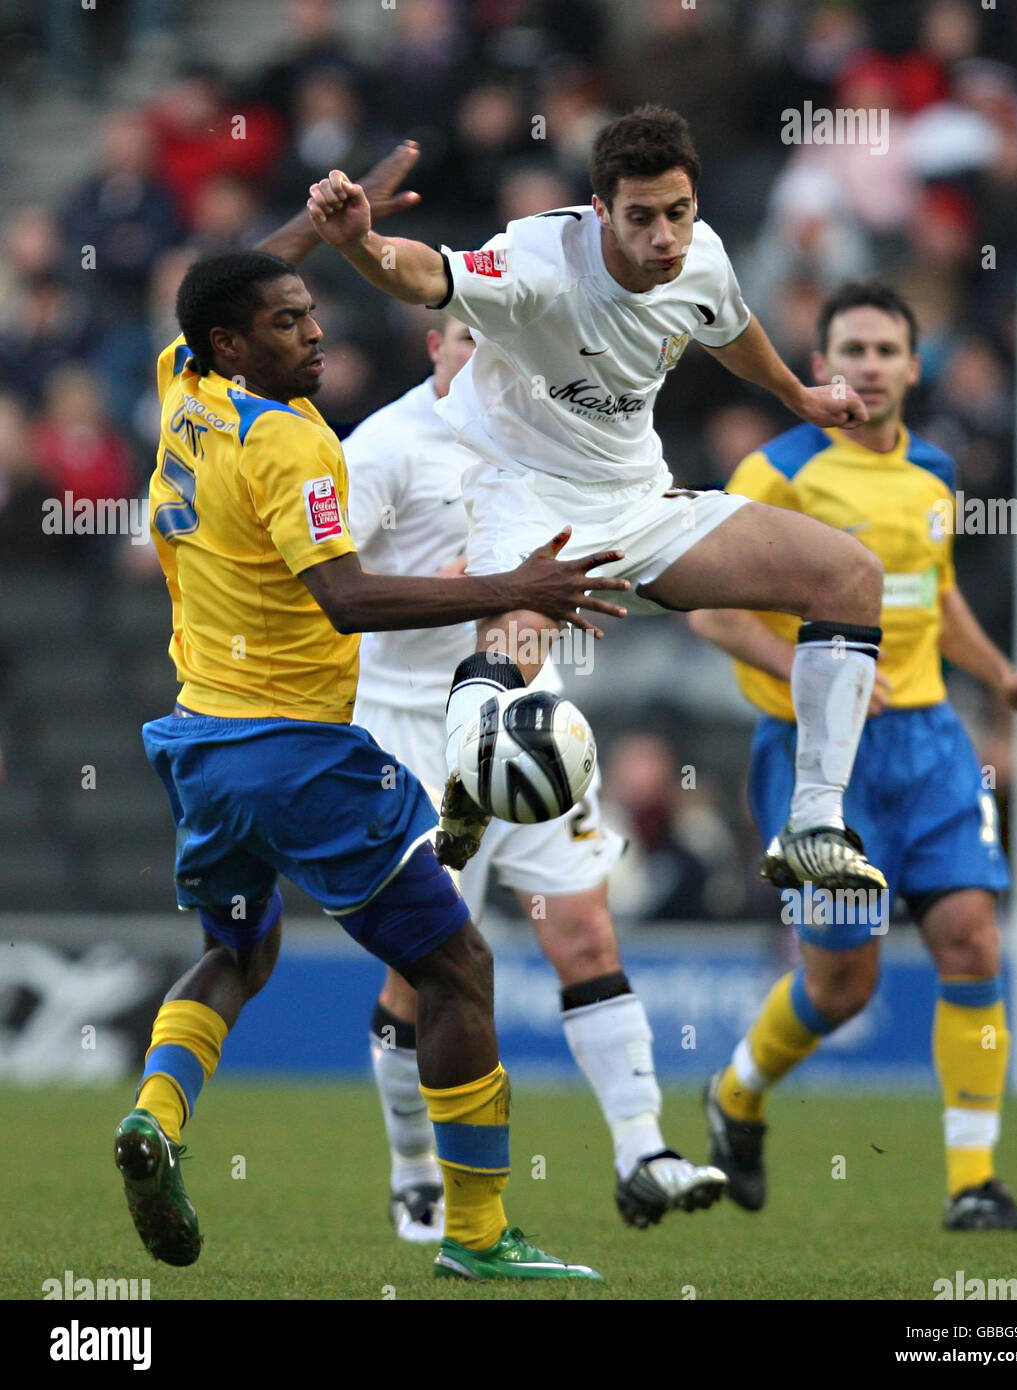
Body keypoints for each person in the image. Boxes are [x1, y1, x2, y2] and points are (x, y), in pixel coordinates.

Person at [114, 163, 630, 1283]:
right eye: (289, 323)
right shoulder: (295, 446)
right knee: (457, 970)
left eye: (311, 314)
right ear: (231, 342)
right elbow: (345, 598)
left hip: (199, 746)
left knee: (235, 956)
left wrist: (319, 225)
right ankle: (481, 1233)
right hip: (297, 752)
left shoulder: (183, 386)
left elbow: (235, 284)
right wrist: (510, 590)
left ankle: (156, 1117)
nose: (317, 332)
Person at [305, 106, 889, 896]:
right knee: (510, 672)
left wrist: (798, 395)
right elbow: (427, 272)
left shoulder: (700, 255)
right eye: (641, 218)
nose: (664, 238)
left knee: (850, 575)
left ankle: (814, 824)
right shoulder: (537, 261)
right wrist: (360, 246)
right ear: (600, 209)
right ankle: (475, 773)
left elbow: (732, 326)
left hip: (640, 498)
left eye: (677, 214)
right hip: (534, 505)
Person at [691, 280, 1017, 1230]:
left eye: (885, 350)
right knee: (842, 979)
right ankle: (736, 1093)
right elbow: (711, 608)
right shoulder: (775, 471)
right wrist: (821, 679)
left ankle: (972, 1183)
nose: (868, 365)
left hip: (932, 742)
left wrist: (1003, 677)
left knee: (971, 938)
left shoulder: (933, 471)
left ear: (913, 365)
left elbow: (932, 596)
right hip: (821, 755)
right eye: (851, 349)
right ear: (822, 367)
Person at [339, 310, 725, 1238]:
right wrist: (469, 584)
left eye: (499, 343)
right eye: (467, 340)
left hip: (528, 714)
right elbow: (327, 599)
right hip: (412, 731)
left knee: (587, 928)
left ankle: (644, 1152)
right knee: (426, 968)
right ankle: (414, 1168)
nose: (484, 357)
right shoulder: (381, 450)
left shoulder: (550, 427)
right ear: (433, 346)